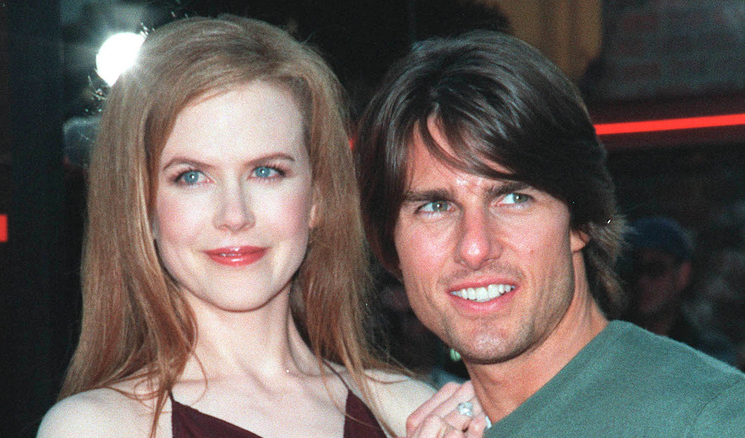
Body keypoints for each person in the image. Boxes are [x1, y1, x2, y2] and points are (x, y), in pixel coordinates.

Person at [36, 15, 475, 438]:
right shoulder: (98, 427)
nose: (234, 215)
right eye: (191, 177)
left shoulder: (409, 413)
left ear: (317, 198)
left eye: (266, 172)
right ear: (143, 207)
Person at [355, 31, 745, 437]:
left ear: (580, 221)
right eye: (435, 207)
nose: (474, 247)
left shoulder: (706, 421)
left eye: (513, 198)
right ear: (392, 245)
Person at [624, 216, 737, 364]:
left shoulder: (709, 353)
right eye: (636, 270)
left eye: (656, 269)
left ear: (683, 274)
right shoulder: (614, 344)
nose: (642, 281)